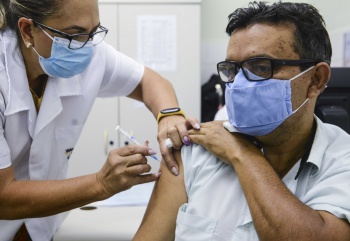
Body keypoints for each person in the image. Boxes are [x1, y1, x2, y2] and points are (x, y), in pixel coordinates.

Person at [133, 2, 350, 241]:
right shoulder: (194, 153)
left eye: (260, 67)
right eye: (232, 69)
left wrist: (243, 154)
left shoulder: (342, 161)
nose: (238, 84)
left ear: (316, 80)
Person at [0, 0, 198, 240]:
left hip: (43, 228)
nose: (87, 47)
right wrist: (100, 184)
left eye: (94, 32)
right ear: (28, 30)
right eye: (75, 35)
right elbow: (3, 195)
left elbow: (150, 82)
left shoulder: (90, 54)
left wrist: (169, 115)